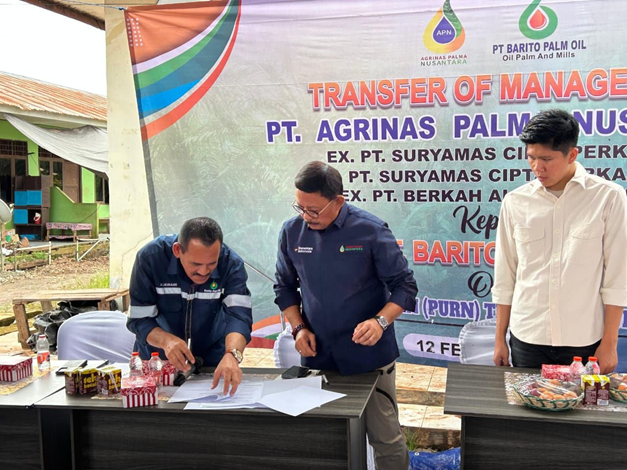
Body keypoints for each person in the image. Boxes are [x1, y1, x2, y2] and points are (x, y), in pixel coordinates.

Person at [274, 161, 417, 470]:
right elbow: (284, 287)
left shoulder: (370, 230)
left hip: (369, 356)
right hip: (318, 354)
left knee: (385, 438)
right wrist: (298, 328)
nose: (306, 217)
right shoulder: (291, 232)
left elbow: (405, 287)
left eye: (313, 210)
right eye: (300, 208)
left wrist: (380, 322)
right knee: (327, 439)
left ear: (338, 200)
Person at [492, 109, 627, 374]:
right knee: (526, 402)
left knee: (582, 402)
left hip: (583, 339)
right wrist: (499, 339)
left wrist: (610, 343)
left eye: (546, 159)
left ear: (572, 155)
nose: (537, 167)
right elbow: (505, 275)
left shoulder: (608, 197)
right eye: (531, 157)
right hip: (527, 336)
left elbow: (617, 276)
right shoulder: (515, 202)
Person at [127, 217, 253, 395]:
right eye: (196, 264)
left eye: (212, 264)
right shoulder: (150, 259)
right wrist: (166, 341)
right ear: (177, 250)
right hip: (157, 363)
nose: (204, 271)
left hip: (212, 361)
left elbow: (239, 317)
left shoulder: (231, 264)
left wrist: (232, 354)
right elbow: (139, 320)